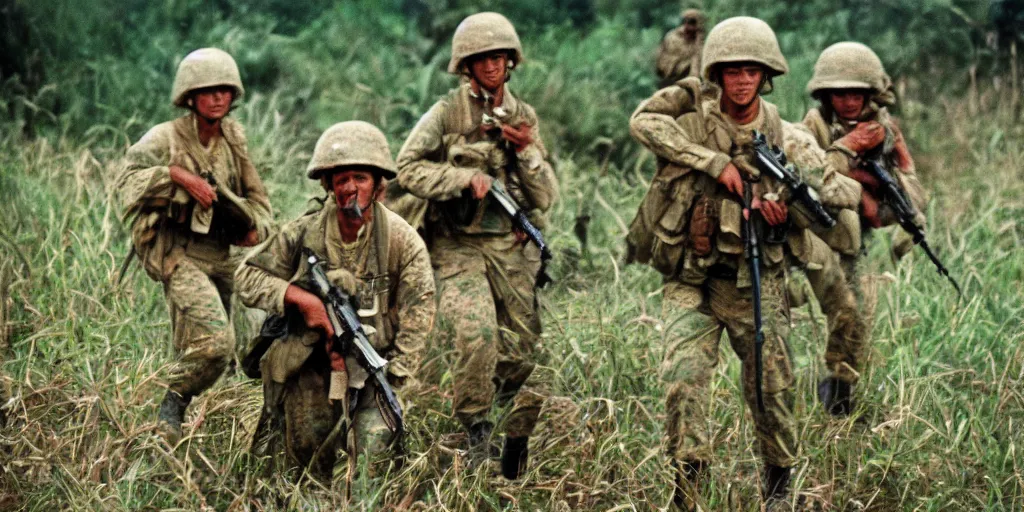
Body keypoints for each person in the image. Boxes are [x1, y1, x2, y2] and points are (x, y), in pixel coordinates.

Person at [628, 16, 854, 507]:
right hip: (691, 278)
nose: (742, 79)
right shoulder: (692, 112)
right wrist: (714, 163)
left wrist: (786, 213)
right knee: (683, 384)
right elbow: (642, 122)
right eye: (732, 70)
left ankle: (777, 489)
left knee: (772, 390)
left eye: (752, 70)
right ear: (717, 72)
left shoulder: (787, 136)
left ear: (766, 74)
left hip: (757, 281)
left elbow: (833, 197)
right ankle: (687, 490)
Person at [395, 12, 559, 480]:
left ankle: (511, 435)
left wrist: (526, 150)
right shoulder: (447, 113)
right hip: (456, 243)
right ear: (466, 66)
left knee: (523, 348)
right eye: (481, 59)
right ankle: (475, 428)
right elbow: (406, 167)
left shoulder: (523, 116)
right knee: (477, 334)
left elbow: (546, 196)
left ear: (511, 62)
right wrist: (464, 177)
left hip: (510, 245)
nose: (491, 66)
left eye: (499, 58)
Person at [235, 121, 436, 478]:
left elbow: (419, 313)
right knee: (304, 466)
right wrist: (299, 299)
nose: (350, 188)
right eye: (340, 179)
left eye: (360, 177)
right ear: (328, 184)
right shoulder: (304, 232)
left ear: (377, 184)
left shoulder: (402, 242)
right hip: (313, 366)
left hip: (376, 368)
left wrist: (397, 381)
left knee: (374, 458)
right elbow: (247, 277)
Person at [114, 48, 272, 443]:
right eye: (208, 90)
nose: (218, 98)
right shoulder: (167, 137)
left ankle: (180, 439)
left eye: (224, 90)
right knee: (217, 345)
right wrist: (176, 176)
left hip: (222, 256)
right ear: (189, 96)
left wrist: (254, 229)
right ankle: (174, 400)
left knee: (226, 350)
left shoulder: (234, 140)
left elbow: (261, 203)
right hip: (180, 256)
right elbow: (126, 183)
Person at [801, 42, 928, 413]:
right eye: (839, 93)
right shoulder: (815, 125)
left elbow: (913, 192)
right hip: (817, 233)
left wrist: (893, 175)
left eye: (857, 92)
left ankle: (839, 389)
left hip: (858, 239)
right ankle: (823, 387)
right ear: (826, 94)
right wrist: (849, 156)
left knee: (855, 315)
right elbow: (808, 176)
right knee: (835, 309)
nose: (849, 101)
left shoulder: (884, 128)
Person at [655, 9, 706, 88]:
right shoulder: (673, 38)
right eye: (688, 22)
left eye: (693, 23)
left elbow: (699, 66)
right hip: (671, 80)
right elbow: (663, 64)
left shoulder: (699, 42)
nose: (690, 27)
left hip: (690, 84)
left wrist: (698, 41)